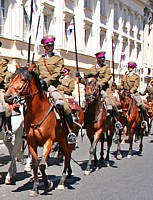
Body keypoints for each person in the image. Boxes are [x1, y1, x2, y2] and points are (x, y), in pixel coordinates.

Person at [36, 35, 76, 144]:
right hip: (40, 86)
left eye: (51, 45)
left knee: (65, 106)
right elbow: (37, 73)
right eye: (47, 45)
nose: (50, 47)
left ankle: (70, 131)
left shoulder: (58, 59)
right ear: (44, 46)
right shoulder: (40, 60)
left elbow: (57, 73)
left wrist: (46, 81)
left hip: (53, 86)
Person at [77, 51, 122, 129]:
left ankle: (116, 121)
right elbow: (89, 80)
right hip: (93, 89)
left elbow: (106, 78)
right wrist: (80, 78)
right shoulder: (92, 68)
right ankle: (85, 121)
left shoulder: (106, 68)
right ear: (97, 59)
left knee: (112, 104)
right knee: (85, 104)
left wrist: (99, 84)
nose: (102, 60)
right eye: (100, 58)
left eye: (103, 58)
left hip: (104, 89)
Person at [117, 61, 148, 128]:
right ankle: (117, 121)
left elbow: (136, 86)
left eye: (131, 67)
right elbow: (122, 86)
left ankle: (143, 120)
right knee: (118, 105)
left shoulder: (136, 76)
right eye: (129, 67)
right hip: (125, 94)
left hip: (133, 93)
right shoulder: (125, 76)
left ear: (133, 68)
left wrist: (131, 91)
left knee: (142, 106)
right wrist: (116, 86)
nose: (130, 68)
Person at [0, 58, 13, 141]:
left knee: (6, 107)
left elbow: (1, 79)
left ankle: (8, 129)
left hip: (1, 90)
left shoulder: (8, 73)